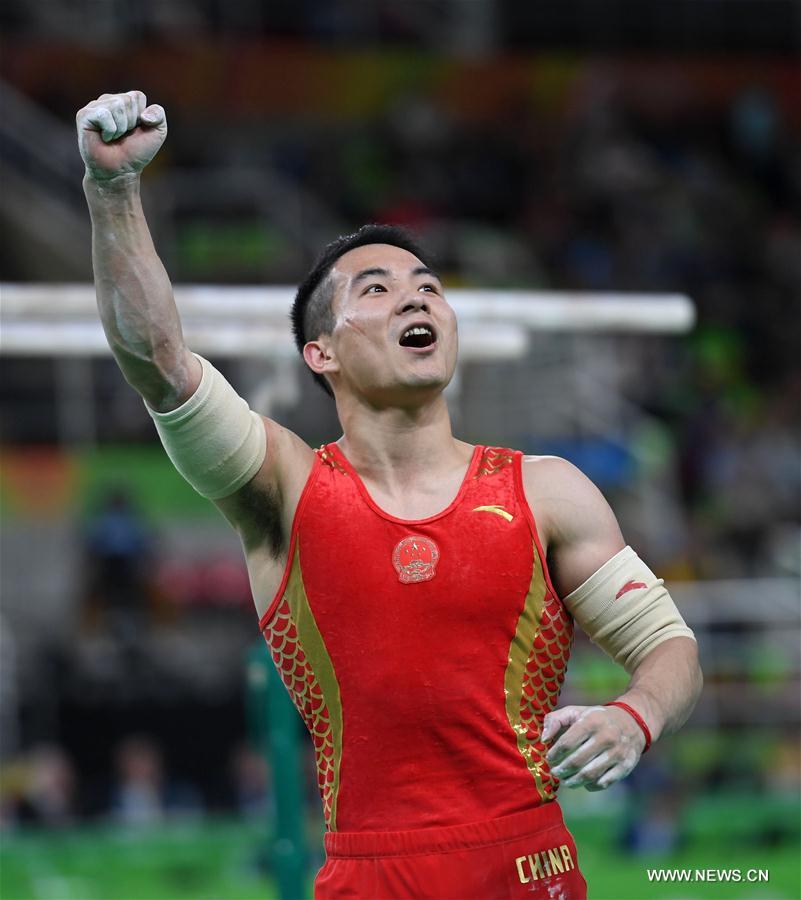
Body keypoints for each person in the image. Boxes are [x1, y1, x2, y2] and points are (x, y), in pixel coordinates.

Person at [76, 91, 702, 899]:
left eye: (428, 287)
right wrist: (112, 191)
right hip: (371, 878)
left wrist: (635, 714)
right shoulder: (285, 488)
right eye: (375, 289)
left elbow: (672, 649)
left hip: (529, 868)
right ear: (321, 353)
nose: (415, 297)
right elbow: (158, 364)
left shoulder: (546, 492)